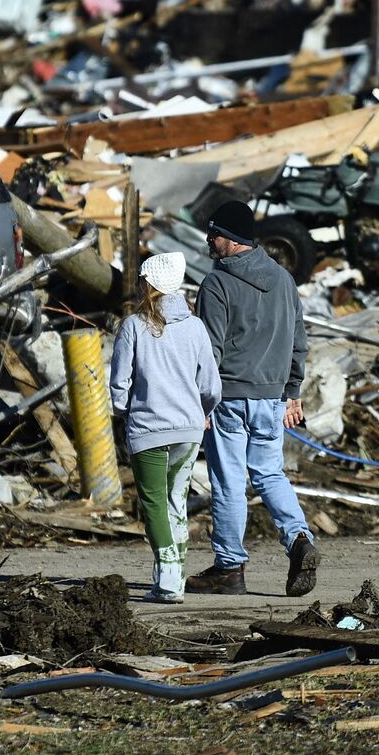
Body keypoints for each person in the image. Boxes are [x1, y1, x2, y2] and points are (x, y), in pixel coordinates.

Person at [187, 199, 319, 597]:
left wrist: (202, 400)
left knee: (228, 483)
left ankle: (229, 568)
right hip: (272, 399)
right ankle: (298, 538)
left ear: (231, 239)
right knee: (269, 473)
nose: (209, 241)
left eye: (214, 234)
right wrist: (291, 393)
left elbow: (208, 349)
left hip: (229, 396)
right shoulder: (282, 278)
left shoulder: (218, 283)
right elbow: (299, 341)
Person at [108, 251, 220, 603]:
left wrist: (127, 412)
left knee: (154, 504)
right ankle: (174, 573)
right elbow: (211, 386)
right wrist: (201, 411)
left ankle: (169, 578)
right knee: (176, 501)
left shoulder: (133, 327)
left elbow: (119, 386)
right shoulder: (196, 327)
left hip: (148, 430)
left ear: (149, 284)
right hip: (189, 429)